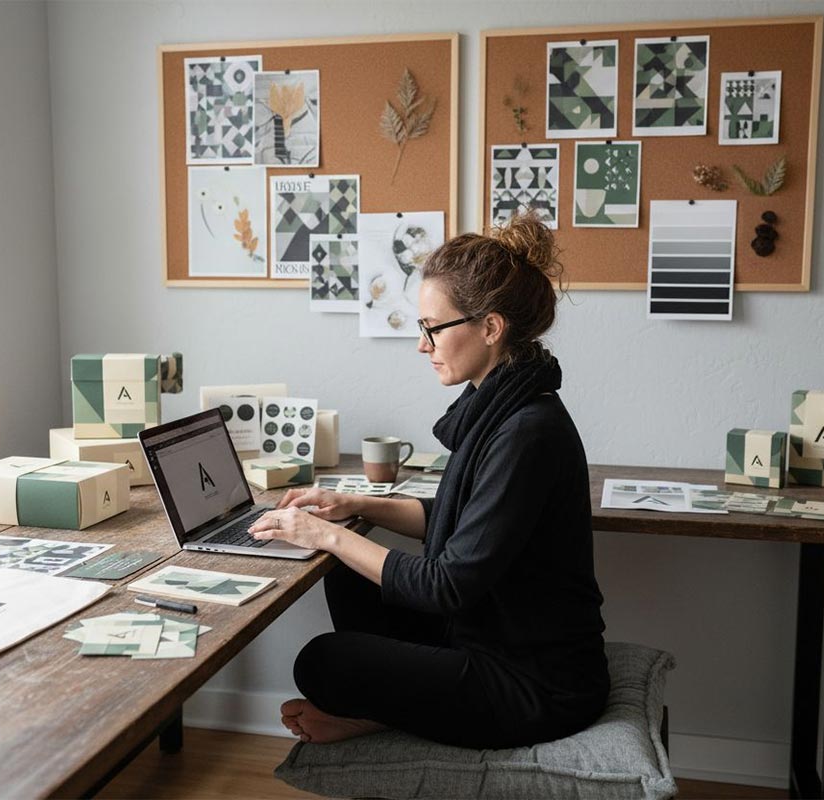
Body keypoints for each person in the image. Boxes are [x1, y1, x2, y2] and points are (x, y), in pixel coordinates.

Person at [248, 213, 609, 750]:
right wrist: (354, 504)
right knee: (347, 575)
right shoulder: (504, 406)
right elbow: (456, 518)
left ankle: (379, 714)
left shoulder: (526, 433)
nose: (423, 345)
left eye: (432, 328)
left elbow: (447, 584)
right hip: (483, 635)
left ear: (490, 328)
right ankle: (387, 710)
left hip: (536, 684)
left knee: (320, 661)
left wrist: (325, 534)